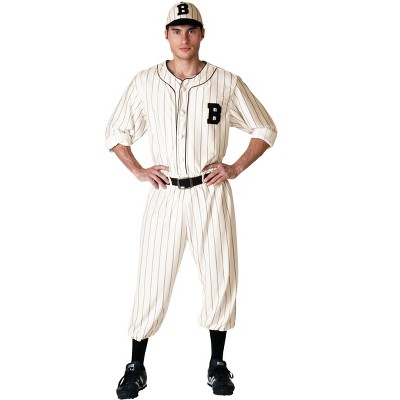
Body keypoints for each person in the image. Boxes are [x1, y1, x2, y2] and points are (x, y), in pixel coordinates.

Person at [105, 2, 277, 398]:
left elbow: (265, 128)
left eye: (191, 29)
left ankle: (218, 364)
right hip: (165, 193)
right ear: (166, 35)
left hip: (210, 192)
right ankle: (135, 366)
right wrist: (138, 170)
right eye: (177, 30)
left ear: (202, 34)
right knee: (152, 279)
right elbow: (116, 132)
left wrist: (235, 167)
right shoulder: (146, 81)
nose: (184, 38)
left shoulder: (225, 82)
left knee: (220, 276)